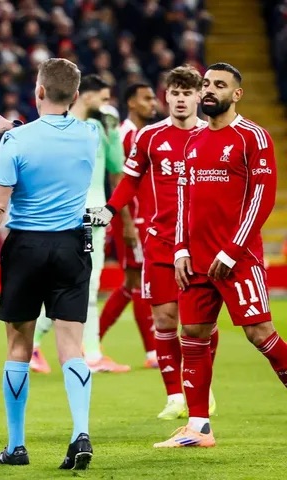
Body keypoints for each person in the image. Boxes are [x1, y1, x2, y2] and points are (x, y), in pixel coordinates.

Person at [0, 58, 96, 470]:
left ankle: (17, 446)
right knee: (71, 346)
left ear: (38, 91)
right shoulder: (90, 135)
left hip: (26, 247)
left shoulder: (16, 142)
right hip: (72, 246)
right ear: (75, 95)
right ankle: (80, 433)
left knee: (19, 346)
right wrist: (14, 126)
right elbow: (55, 134)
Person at [158, 62, 283, 447]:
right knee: (193, 334)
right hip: (195, 261)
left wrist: (232, 251)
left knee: (259, 334)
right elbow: (183, 198)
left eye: (220, 85)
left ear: (237, 94)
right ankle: (198, 428)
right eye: (207, 84)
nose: (210, 90)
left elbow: (262, 199)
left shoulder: (253, 137)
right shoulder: (194, 140)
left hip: (238, 260)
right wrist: (180, 248)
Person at [87, 65, 219, 419]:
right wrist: (110, 210)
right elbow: (129, 181)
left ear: (198, 96)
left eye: (187, 93)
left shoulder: (212, 135)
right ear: (166, 96)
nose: (180, 99)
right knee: (164, 320)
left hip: (200, 243)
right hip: (160, 241)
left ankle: (202, 386)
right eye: (175, 93)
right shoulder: (149, 137)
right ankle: (174, 395)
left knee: (202, 324)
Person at [29, 75, 130, 374]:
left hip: (91, 217)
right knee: (85, 284)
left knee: (75, 285)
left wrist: (113, 133)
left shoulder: (99, 127)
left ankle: (39, 345)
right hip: (82, 217)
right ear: (86, 96)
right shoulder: (62, 126)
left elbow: (116, 165)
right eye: (103, 98)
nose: (107, 104)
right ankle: (89, 355)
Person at [98, 82, 158, 368]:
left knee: (134, 282)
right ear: (131, 103)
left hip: (147, 218)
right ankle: (152, 352)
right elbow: (117, 181)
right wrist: (127, 223)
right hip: (133, 220)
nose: (153, 103)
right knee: (139, 281)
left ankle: (92, 341)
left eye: (153, 98)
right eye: (146, 98)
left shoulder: (148, 134)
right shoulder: (124, 135)